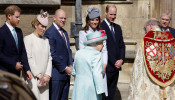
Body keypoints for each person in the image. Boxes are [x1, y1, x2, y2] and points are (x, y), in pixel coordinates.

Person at [128, 19, 175, 100]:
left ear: (150, 26)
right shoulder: (171, 40)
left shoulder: (146, 40)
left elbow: (139, 65)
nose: (145, 31)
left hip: (151, 83)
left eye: (145, 28)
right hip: (168, 80)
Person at [79, 7, 108, 96]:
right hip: (88, 67)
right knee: (89, 93)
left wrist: (104, 66)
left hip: (100, 66)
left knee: (99, 93)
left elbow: (104, 51)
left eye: (96, 20)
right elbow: (82, 50)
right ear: (88, 20)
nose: (94, 22)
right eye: (92, 20)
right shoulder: (83, 33)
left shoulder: (102, 32)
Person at [44, 9, 73, 100]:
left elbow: (68, 51)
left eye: (65, 18)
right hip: (56, 75)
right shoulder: (49, 32)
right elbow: (52, 54)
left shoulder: (64, 32)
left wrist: (70, 65)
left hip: (66, 76)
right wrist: (65, 68)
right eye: (61, 18)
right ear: (54, 18)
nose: (63, 20)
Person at [24, 10, 52, 100]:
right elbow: (29, 58)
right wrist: (38, 75)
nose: (44, 29)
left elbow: (49, 58)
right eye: (42, 26)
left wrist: (47, 75)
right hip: (33, 79)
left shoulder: (46, 40)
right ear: (36, 25)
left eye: (45, 27)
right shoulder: (28, 39)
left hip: (44, 80)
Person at [0, 5, 33, 79]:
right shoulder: (1, 32)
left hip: (17, 75)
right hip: (5, 74)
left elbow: (22, 52)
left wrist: (27, 70)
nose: (19, 19)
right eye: (17, 17)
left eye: (19, 17)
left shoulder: (19, 32)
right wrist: (13, 64)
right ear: (9, 16)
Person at [100, 4, 125, 100]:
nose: (113, 17)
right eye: (111, 14)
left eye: (114, 14)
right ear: (106, 13)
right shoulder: (101, 27)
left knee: (112, 93)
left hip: (116, 68)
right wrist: (114, 61)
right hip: (107, 66)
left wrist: (121, 60)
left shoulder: (118, 27)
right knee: (104, 95)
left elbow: (122, 45)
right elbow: (104, 48)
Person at [72, 31, 106, 100]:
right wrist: (101, 90)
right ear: (97, 43)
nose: (103, 45)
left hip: (78, 88)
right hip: (91, 89)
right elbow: (97, 74)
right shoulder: (96, 55)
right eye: (102, 43)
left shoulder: (78, 53)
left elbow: (73, 71)